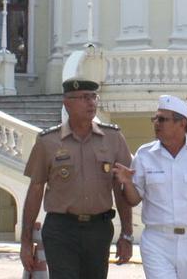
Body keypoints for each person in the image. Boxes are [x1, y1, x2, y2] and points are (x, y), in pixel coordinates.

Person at [20, 78, 133, 279]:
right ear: (67, 103)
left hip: (98, 229)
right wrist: (26, 240)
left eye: (93, 97)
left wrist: (126, 234)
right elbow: (35, 189)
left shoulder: (113, 138)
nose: (91, 103)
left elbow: (121, 188)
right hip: (61, 229)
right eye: (83, 98)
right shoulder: (48, 141)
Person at [115, 95, 187, 279]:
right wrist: (127, 183)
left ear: (181, 124)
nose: (156, 123)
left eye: (163, 119)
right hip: (157, 240)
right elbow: (133, 199)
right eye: (155, 119)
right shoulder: (145, 155)